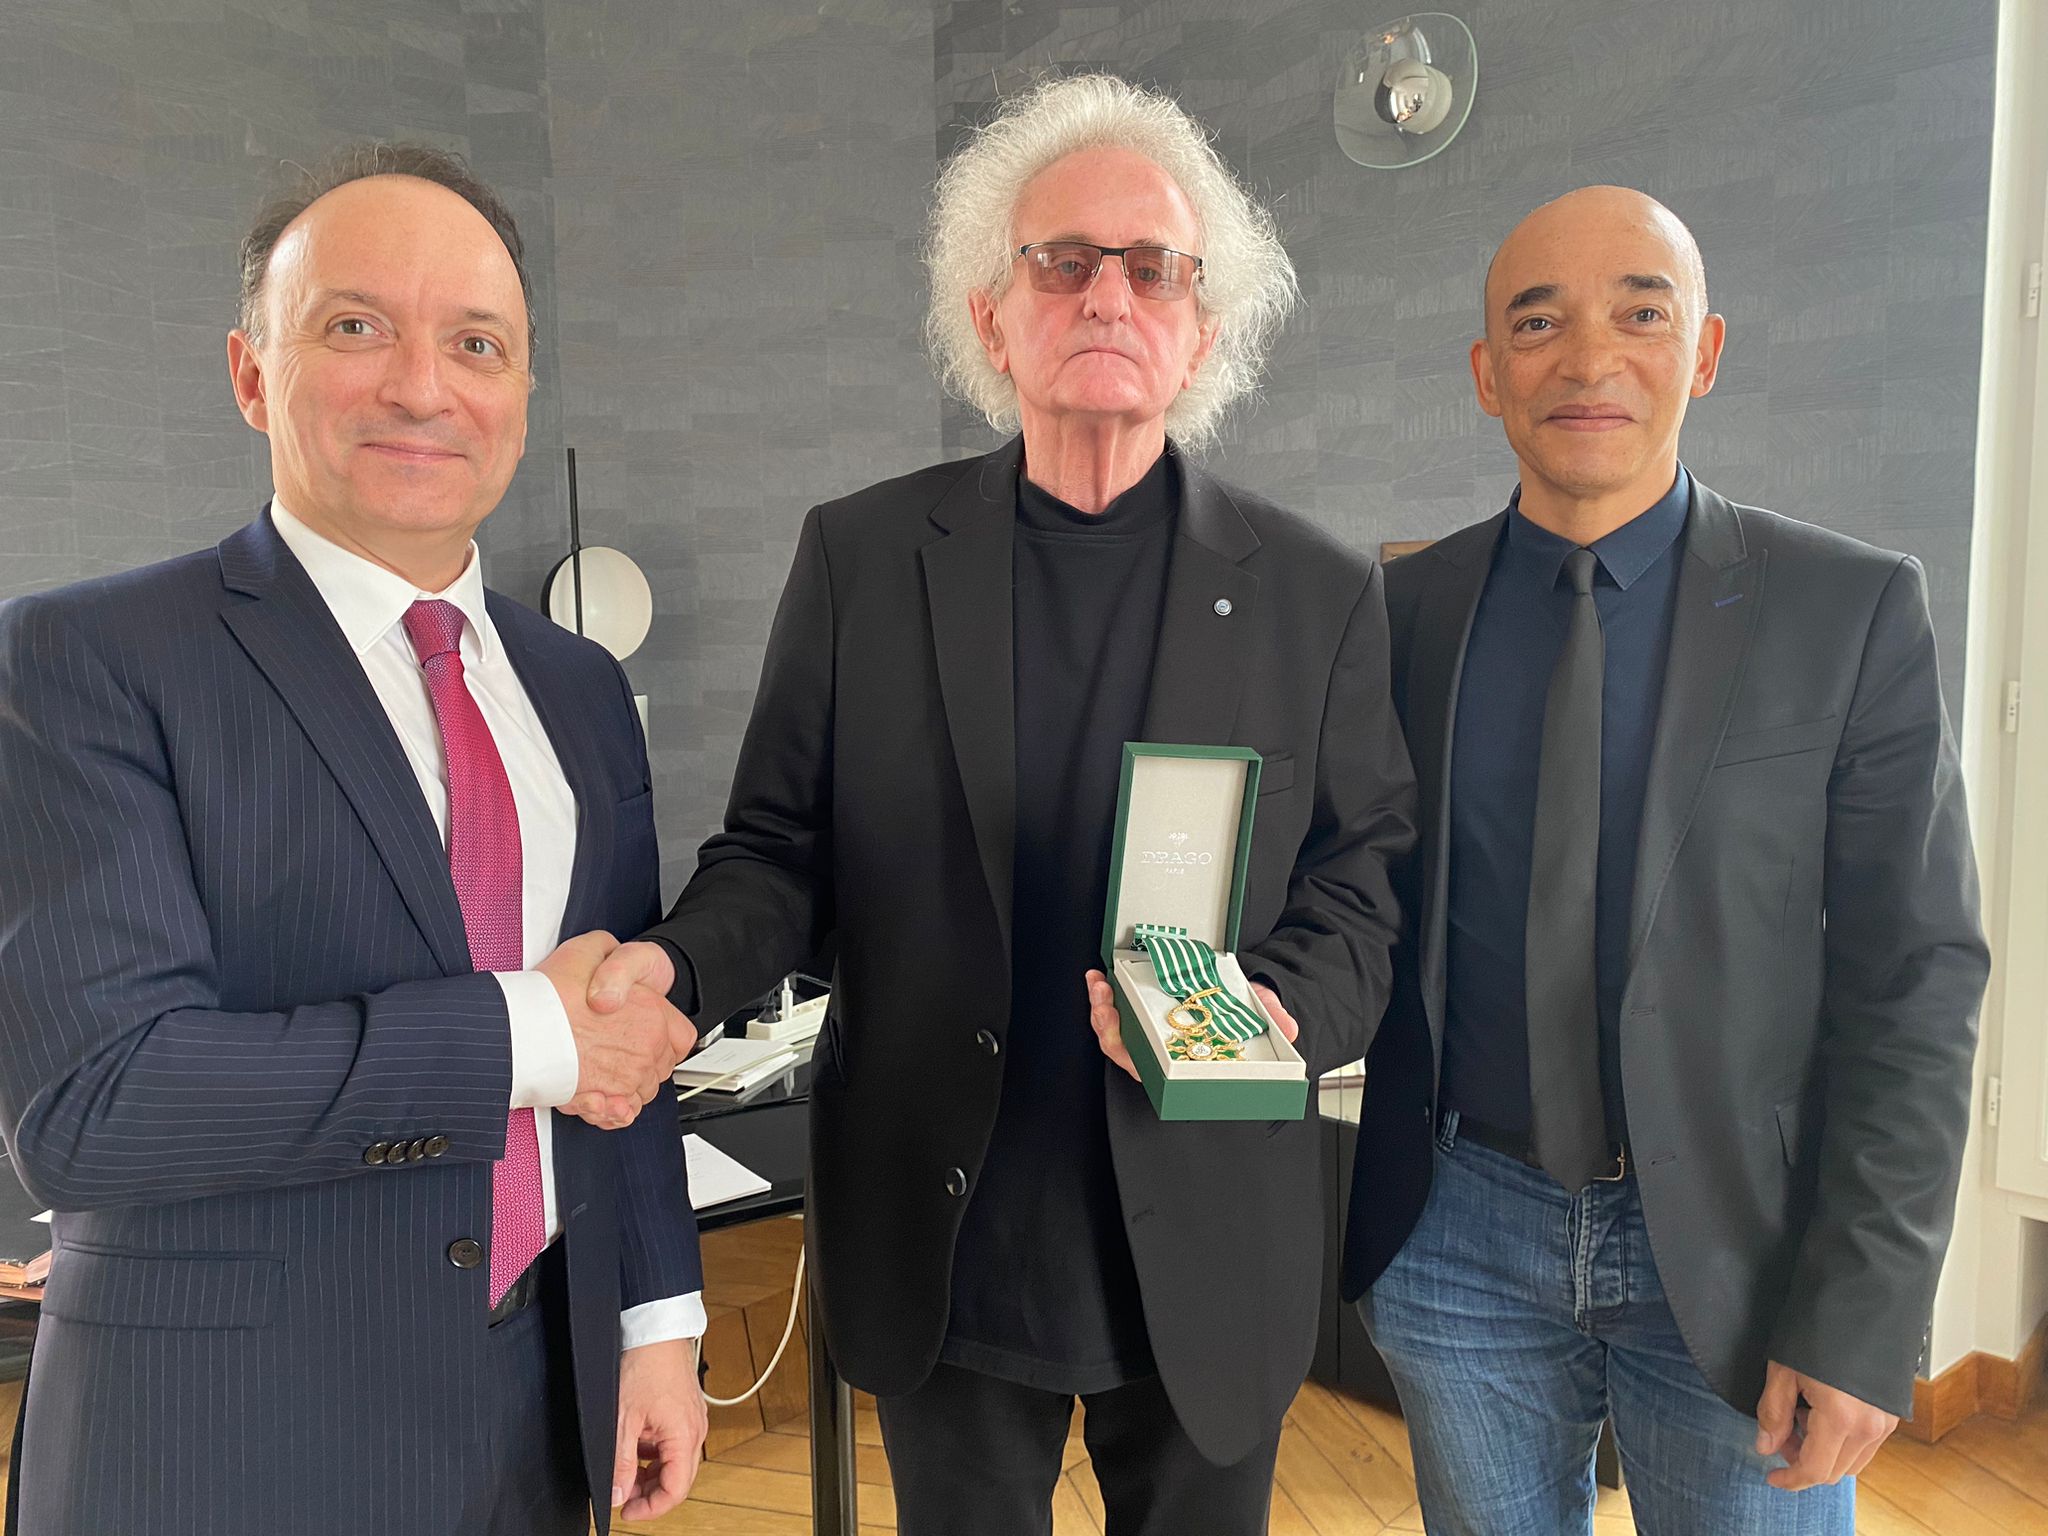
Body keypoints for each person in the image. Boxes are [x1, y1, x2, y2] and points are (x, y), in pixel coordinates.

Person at [585, 73, 1416, 1535]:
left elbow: (1360, 881)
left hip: (1207, 1230)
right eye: (1063, 261)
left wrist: (1272, 1013)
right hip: (947, 1229)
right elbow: (777, 851)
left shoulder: (1318, 591)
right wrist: (679, 969)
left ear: (1203, 329)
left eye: (1152, 268)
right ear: (990, 315)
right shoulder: (862, 560)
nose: (1109, 294)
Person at [0, 144, 707, 1536]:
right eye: (356, 326)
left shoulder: (578, 687)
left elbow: (622, 1038)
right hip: (223, 1446)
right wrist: (527, 1034)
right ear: (251, 373)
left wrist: (657, 1323)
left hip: (534, 1425)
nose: (423, 386)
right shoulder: (84, 660)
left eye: (477, 344)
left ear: (520, 397)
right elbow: (96, 1105)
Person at [1341, 185, 1990, 1533]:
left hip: (1746, 1249)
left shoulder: (1849, 610)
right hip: (1461, 1235)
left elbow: (1915, 980)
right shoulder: (1402, 611)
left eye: (1641, 314)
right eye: (1540, 323)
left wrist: (1865, 1311)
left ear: (1703, 352)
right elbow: (1349, 895)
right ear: (1487, 374)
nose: (1589, 360)